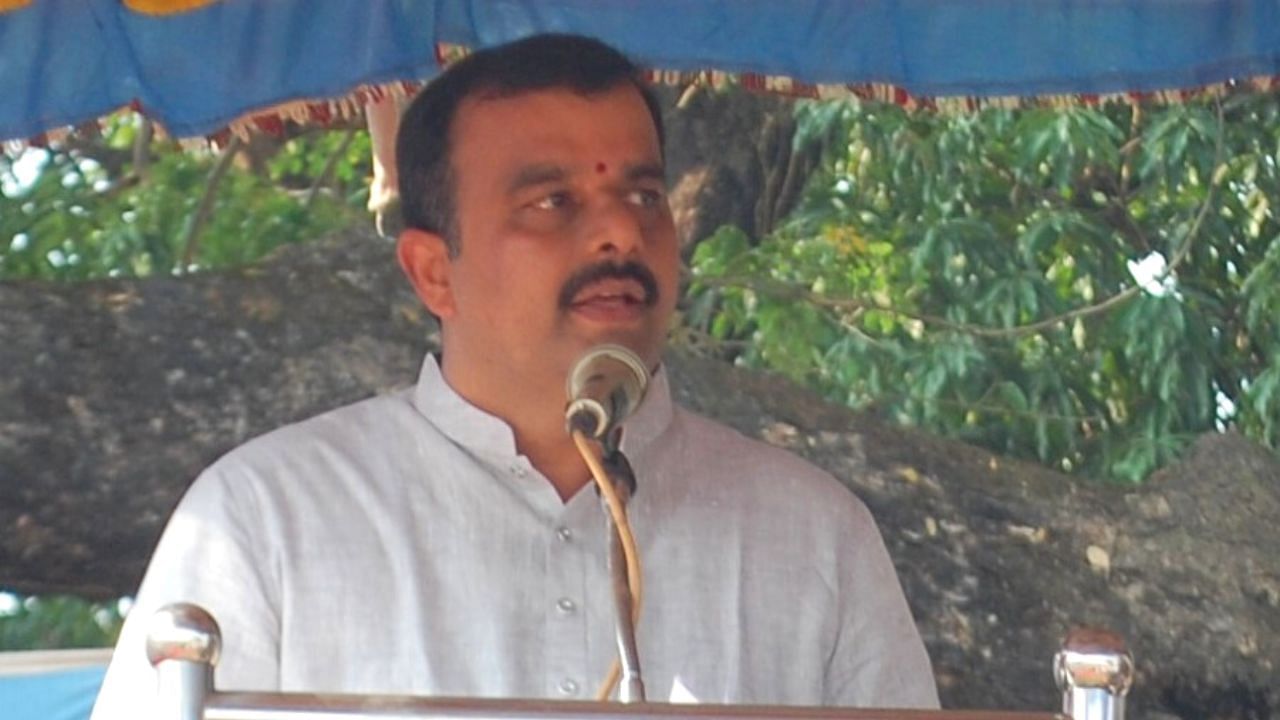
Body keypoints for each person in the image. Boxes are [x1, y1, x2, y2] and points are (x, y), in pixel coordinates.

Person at [91, 34, 938, 716]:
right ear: (434, 273)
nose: (618, 234)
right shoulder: (263, 522)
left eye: (644, 195)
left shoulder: (815, 537)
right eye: (552, 203)